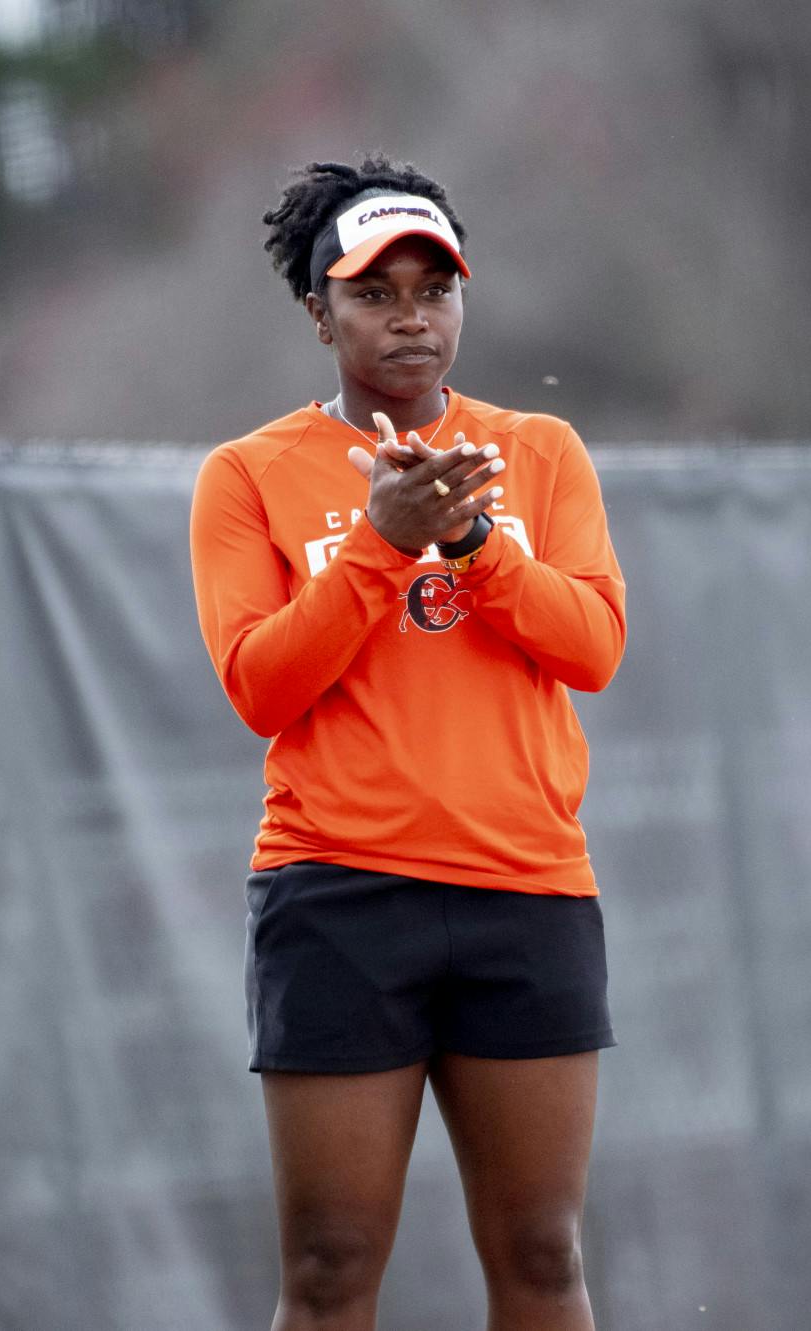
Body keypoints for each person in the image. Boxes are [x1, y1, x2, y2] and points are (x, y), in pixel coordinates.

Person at [189, 155, 626, 1331]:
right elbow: (261, 685)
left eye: (434, 289)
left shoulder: (536, 451)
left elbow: (592, 648)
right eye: (374, 292)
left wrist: (476, 542)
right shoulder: (246, 476)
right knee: (329, 1265)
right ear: (315, 311)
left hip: (523, 889)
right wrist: (381, 543)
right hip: (336, 895)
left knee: (541, 1253)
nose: (410, 317)